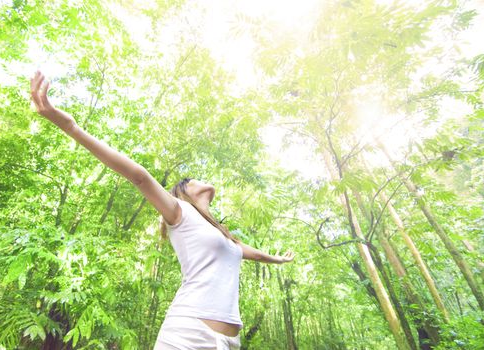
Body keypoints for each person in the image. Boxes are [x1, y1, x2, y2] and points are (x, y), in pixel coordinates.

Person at [30, 71, 295, 350]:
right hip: (187, 332)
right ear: (184, 194)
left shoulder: (223, 235)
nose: (203, 181)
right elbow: (139, 176)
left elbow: (250, 252)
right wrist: (70, 126)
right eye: (194, 181)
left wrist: (279, 260)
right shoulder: (180, 213)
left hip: (228, 342)